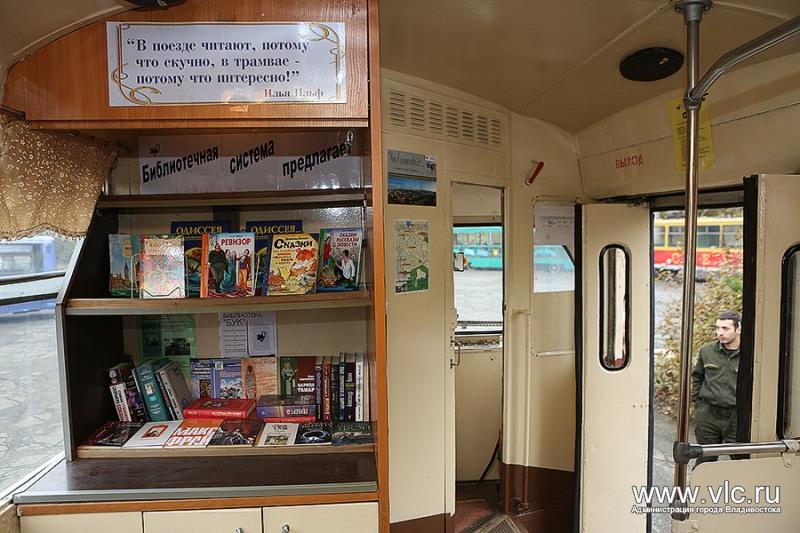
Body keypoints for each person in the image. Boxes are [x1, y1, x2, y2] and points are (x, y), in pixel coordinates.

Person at [691, 310, 746, 464]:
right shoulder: (707, 351)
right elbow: (697, 377)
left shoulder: (750, 354)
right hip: (709, 414)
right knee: (705, 460)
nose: (720, 333)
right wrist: (698, 404)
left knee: (741, 461)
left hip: (736, 417)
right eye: (718, 328)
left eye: (725, 328)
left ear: (738, 329)